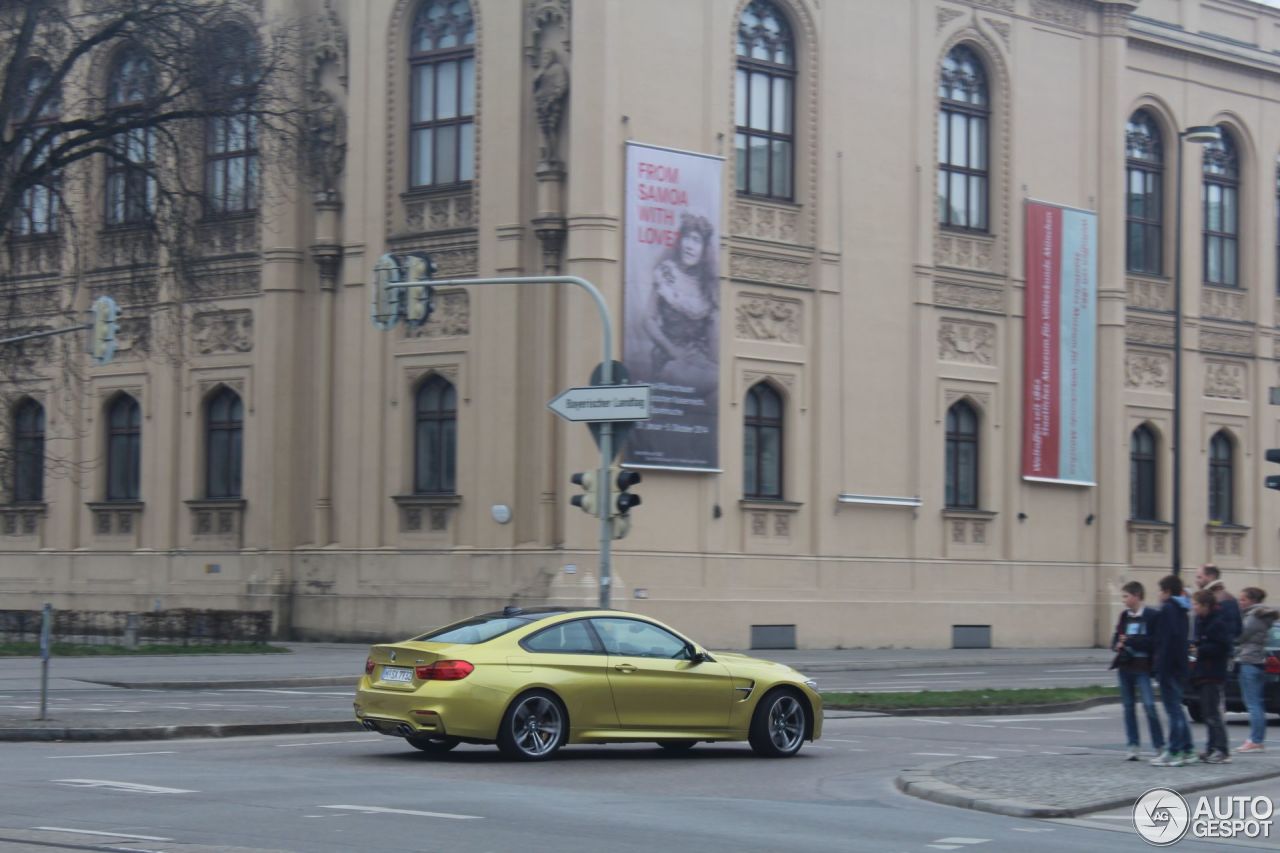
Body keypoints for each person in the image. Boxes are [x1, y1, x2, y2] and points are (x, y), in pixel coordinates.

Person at [640, 212, 718, 389]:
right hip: (669, 357)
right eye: (686, 238)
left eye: (696, 240)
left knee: (721, 380)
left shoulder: (707, 285)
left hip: (698, 358)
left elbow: (713, 336)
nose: (689, 246)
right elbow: (648, 320)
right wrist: (672, 350)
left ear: (705, 248)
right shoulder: (667, 272)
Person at [1110, 581, 1164, 760]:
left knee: (1149, 705)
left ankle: (1159, 745)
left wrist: (1132, 640)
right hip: (1125, 666)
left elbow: (1152, 642)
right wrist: (1118, 644)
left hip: (1142, 667)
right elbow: (1116, 637)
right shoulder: (1124, 616)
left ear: (1136, 596)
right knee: (1128, 707)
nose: (1124, 600)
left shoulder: (1151, 615)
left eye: (1126, 596)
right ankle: (1133, 745)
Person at [1151, 575, 1194, 767]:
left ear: (1167, 591)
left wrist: (1160, 667)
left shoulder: (1168, 609)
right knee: (1178, 710)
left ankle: (1174, 751)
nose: (1158, 594)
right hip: (1179, 666)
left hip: (1169, 667)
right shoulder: (1182, 608)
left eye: (1160, 590)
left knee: (1173, 711)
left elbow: (1167, 641)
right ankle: (1188, 749)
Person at [1189, 590, 1234, 764]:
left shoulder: (1217, 622)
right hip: (1204, 672)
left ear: (1205, 605)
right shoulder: (1203, 620)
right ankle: (1211, 748)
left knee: (1213, 714)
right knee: (1207, 713)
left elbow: (1222, 648)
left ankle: (1222, 750)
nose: (1194, 608)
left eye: (1196, 604)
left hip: (1213, 673)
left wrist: (1200, 650)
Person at [1236, 587, 1278, 753]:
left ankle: (1255, 740)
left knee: (1253, 704)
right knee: (1256, 703)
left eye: (1243, 599)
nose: (1240, 603)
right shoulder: (1261, 616)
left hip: (1249, 660)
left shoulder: (1253, 617)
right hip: (1257, 660)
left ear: (1252, 601)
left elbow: (1239, 636)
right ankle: (1256, 739)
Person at [1195, 563, 1241, 639]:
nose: (1196, 581)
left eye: (1199, 577)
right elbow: (1238, 629)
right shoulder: (1230, 597)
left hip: (1213, 647)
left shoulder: (1211, 599)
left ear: (1211, 577)